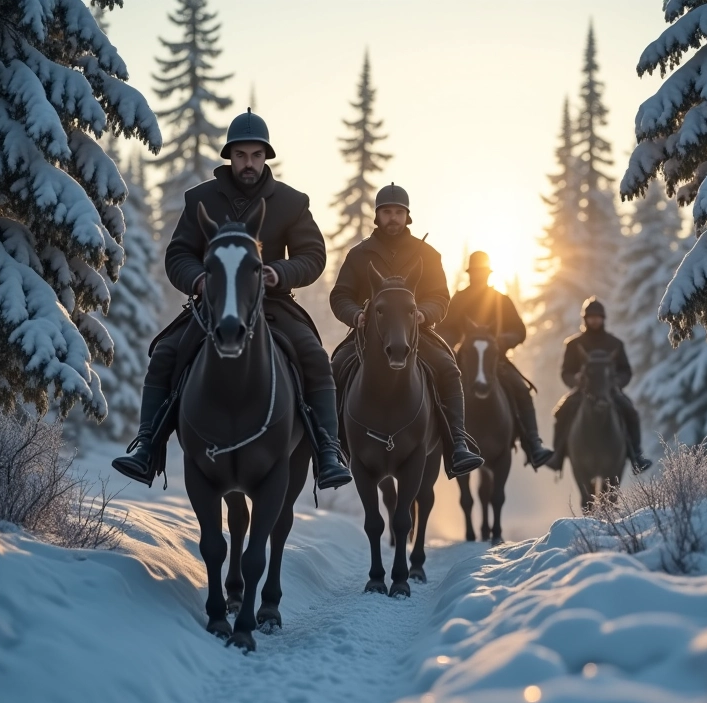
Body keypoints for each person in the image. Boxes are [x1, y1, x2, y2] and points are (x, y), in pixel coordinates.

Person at [112, 109, 352, 490]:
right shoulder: (201, 200)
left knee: (315, 357)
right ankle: (147, 445)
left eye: (256, 155)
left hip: (272, 304)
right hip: (213, 304)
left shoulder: (291, 203)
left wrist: (279, 273)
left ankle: (327, 451)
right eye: (241, 155)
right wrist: (199, 280)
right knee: (166, 353)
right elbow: (178, 254)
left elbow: (313, 255)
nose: (248, 163)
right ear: (229, 156)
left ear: (266, 157)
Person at [330, 183, 483, 477]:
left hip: (417, 334)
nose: (393, 218)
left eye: (398, 212)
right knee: (335, 368)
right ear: (377, 216)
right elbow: (340, 296)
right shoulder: (359, 254)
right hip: (368, 336)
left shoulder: (428, 254)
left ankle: (458, 444)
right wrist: (356, 315)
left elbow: (440, 297)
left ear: (407, 216)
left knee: (448, 368)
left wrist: (424, 313)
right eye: (387, 212)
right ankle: (334, 449)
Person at [438, 251, 553, 469]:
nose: (479, 276)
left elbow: (519, 330)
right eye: (476, 272)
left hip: (495, 361)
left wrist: (501, 341)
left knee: (521, 390)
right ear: (470, 273)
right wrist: (455, 345)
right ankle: (434, 442)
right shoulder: (459, 299)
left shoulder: (501, 300)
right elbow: (444, 329)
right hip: (464, 363)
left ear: (488, 273)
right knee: (437, 390)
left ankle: (533, 443)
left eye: (482, 272)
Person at [545, 296, 653, 474]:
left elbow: (625, 370)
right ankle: (557, 455)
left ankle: (636, 456)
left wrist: (616, 382)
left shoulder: (615, 343)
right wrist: (576, 380)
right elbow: (566, 371)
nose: (594, 320)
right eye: (591, 317)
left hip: (610, 392)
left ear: (603, 318)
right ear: (585, 319)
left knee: (631, 412)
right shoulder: (573, 344)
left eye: (597, 317)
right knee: (561, 412)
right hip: (582, 392)